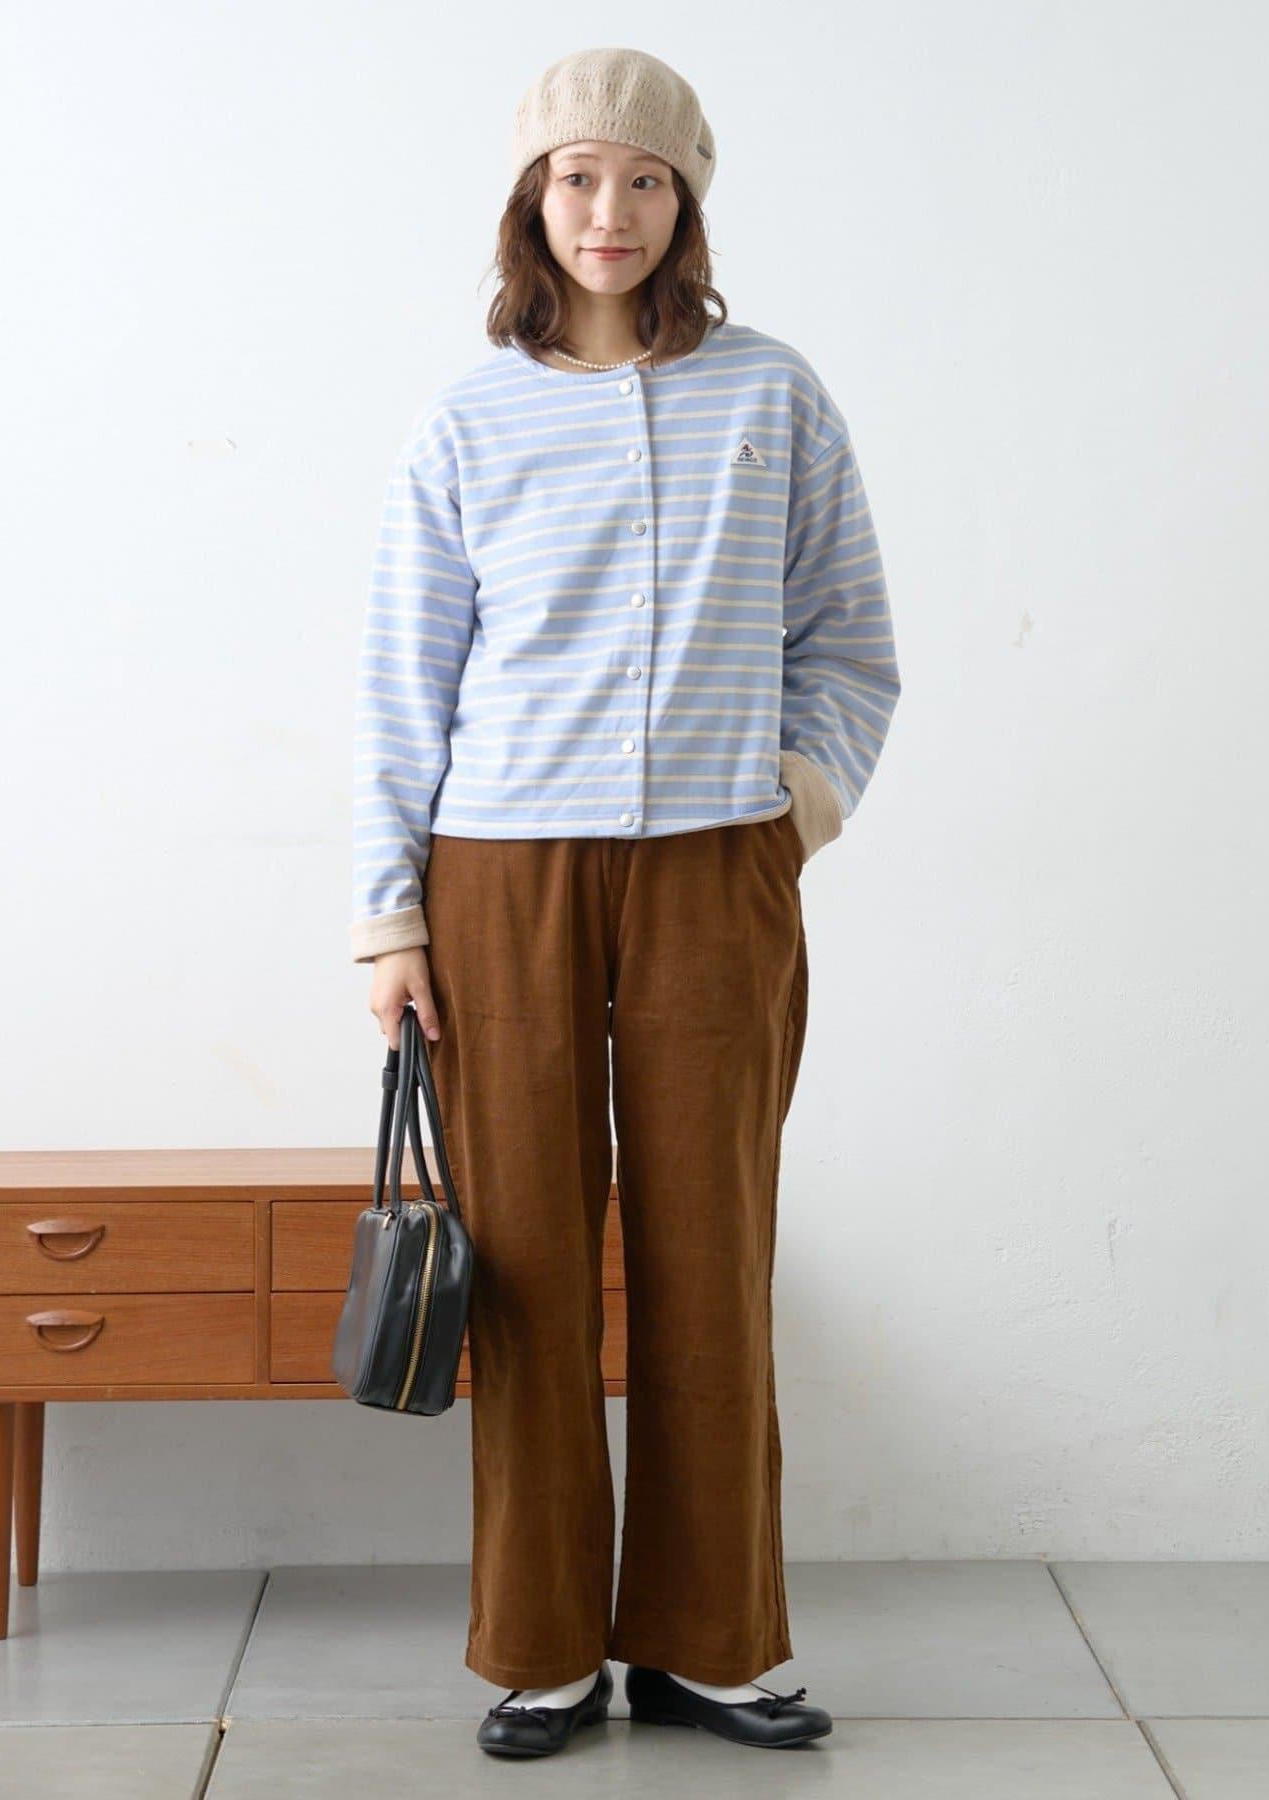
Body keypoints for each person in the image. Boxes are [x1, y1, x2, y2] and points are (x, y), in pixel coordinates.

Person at [349, 46, 902, 1758]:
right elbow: (403, 683)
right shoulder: (469, 417)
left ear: (687, 201)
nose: (612, 210)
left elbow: (852, 641)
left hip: (717, 865)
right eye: (580, 177)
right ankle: (540, 1647)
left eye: (646, 179)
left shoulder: (775, 396)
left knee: (708, 1248)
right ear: (534, 200)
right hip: (500, 875)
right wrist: (391, 919)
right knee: (522, 1263)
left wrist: (793, 811)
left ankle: (708, 1639)